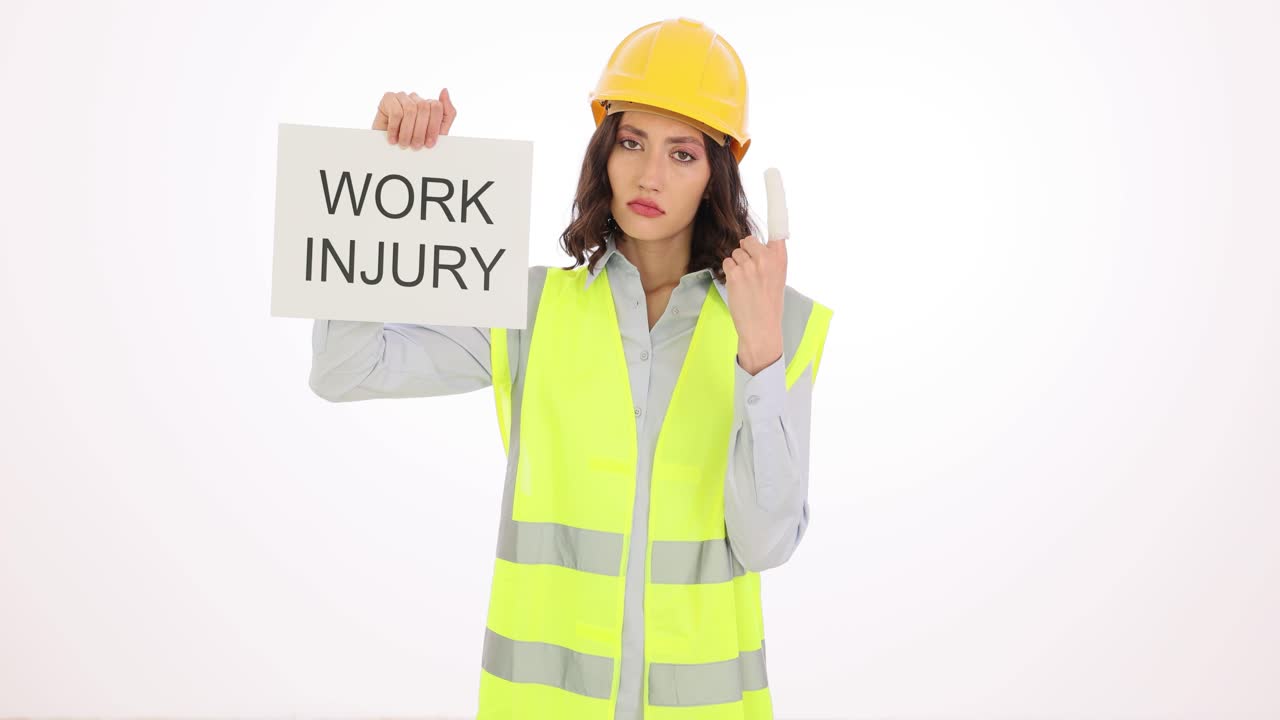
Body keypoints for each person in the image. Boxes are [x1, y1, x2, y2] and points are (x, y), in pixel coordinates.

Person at [309, 17, 832, 720]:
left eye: (682, 154)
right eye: (632, 142)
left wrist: (759, 350)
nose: (649, 175)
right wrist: (378, 176)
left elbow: (766, 542)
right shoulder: (530, 310)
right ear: (603, 155)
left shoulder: (778, 328)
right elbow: (346, 369)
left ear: (717, 174)